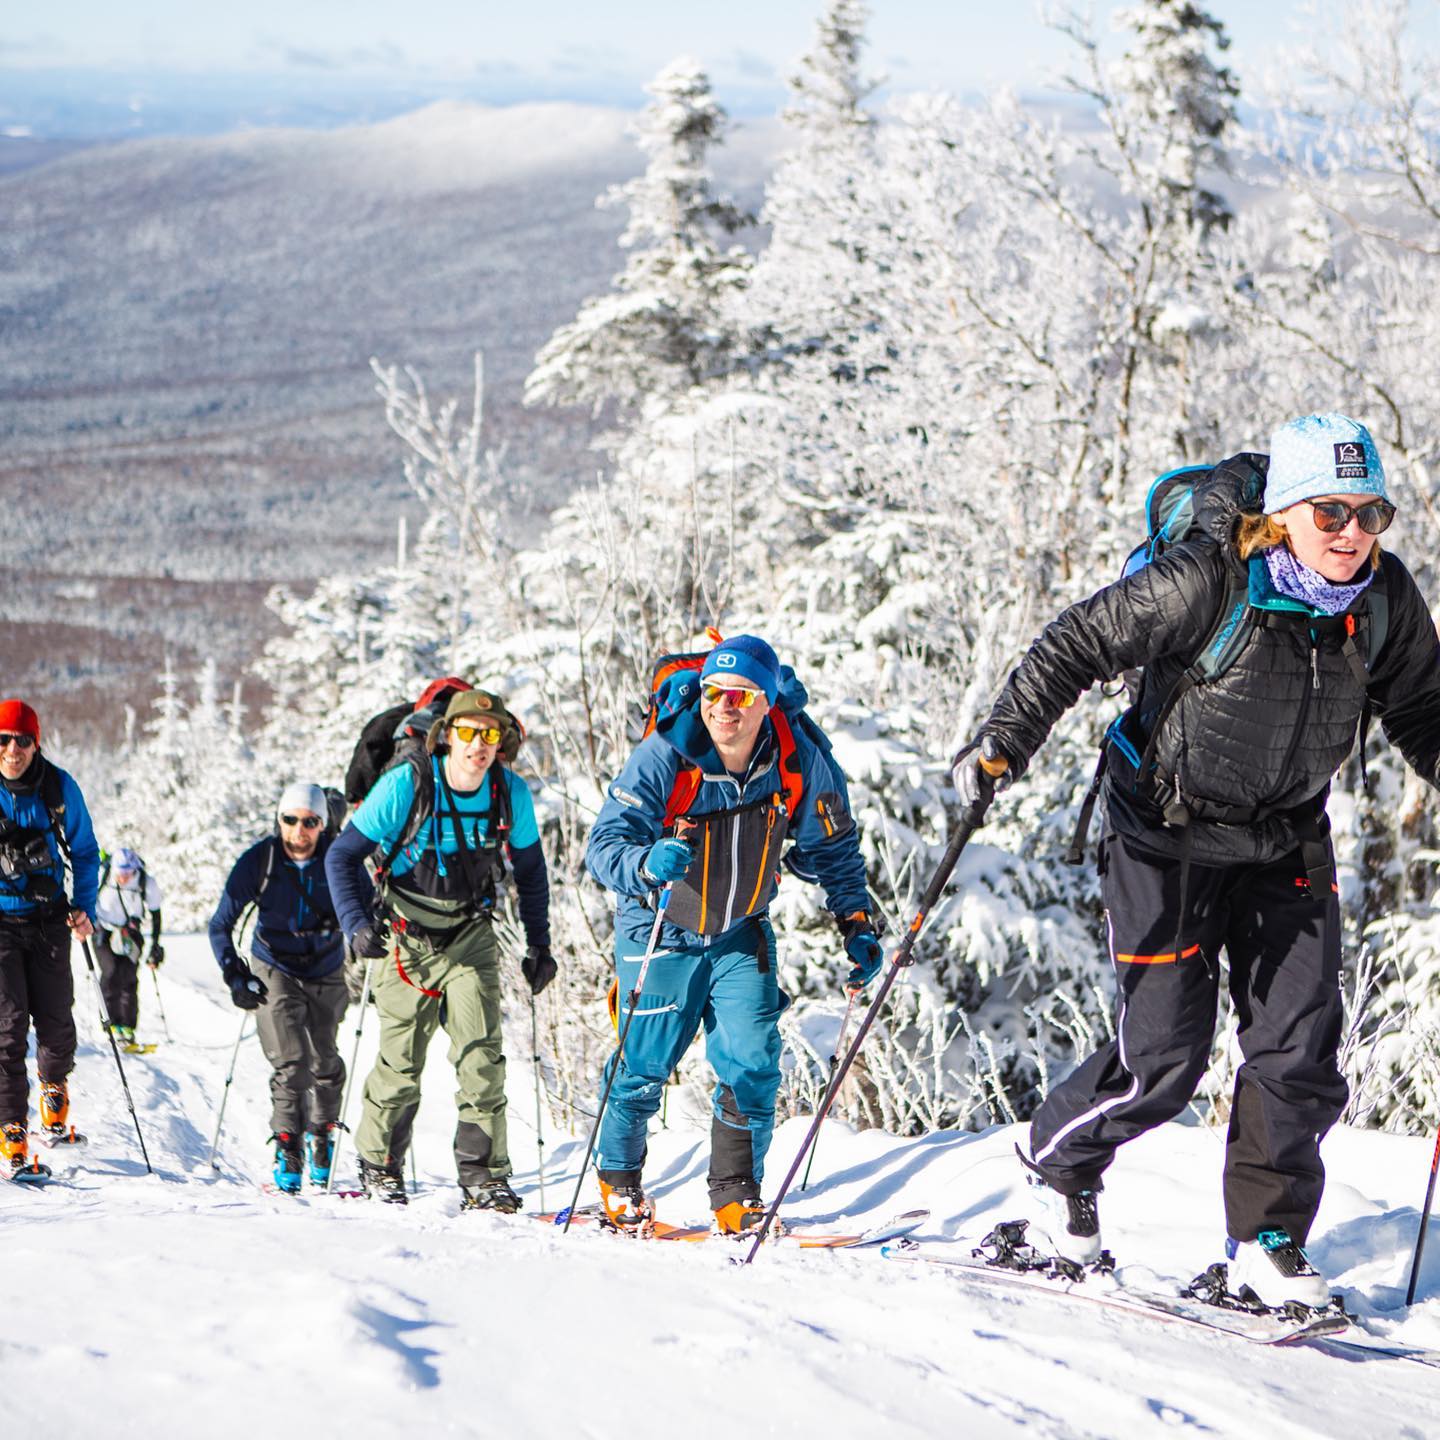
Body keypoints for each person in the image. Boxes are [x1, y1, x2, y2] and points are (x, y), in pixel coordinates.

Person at [951, 414, 1440, 1307]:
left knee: (1300, 1052)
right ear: (1285, 511)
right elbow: (1077, 643)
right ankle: (1058, 1170)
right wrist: (1003, 743)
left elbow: (1426, 710)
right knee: (1164, 1060)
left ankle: (1266, 1241)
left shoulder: (1383, 601)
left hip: (1285, 837)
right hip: (1164, 836)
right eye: (1330, 511)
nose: (1352, 533)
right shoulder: (1206, 580)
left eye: (1372, 513)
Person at [585, 635, 881, 1236]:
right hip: (660, 929)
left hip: (741, 930)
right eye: (716, 693)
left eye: (743, 696)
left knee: (752, 1062)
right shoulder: (667, 755)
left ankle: (736, 1196)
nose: (725, 707)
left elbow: (833, 845)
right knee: (643, 1067)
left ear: (767, 702)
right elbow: (604, 846)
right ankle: (618, 1184)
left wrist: (855, 921)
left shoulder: (796, 760)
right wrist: (644, 863)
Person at [326, 688, 554, 1212]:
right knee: (401, 1063)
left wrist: (539, 944)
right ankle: (380, 1165)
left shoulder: (508, 793)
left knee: (483, 1059)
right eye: (469, 732)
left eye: (490, 735)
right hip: (404, 936)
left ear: (502, 743)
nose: (479, 744)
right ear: (446, 735)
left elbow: (532, 873)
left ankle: (485, 1177)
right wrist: (356, 924)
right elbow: (342, 857)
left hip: (470, 936)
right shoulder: (407, 784)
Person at [209, 782, 357, 1193]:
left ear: (322, 825)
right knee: (292, 1062)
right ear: (279, 820)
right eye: (290, 820)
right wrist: (235, 975)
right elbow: (221, 923)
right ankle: (289, 1145)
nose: (299, 831)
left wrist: (368, 933)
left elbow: (365, 909)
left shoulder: (338, 860)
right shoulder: (261, 860)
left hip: (327, 968)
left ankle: (321, 1134)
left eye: (309, 822)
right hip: (275, 965)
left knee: (326, 1061)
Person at [0, 699, 99, 1175]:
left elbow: (84, 850)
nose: (11, 749)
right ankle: (11, 1130)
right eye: (2, 739)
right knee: (8, 1028)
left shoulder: (58, 787)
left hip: (48, 920)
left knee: (57, 1020)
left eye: (21, 739)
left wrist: (85, 907)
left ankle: (53, 1089)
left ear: (36, 742)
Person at [94, 847, 164, 1049]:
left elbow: (156, 914)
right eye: (119, 874)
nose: (123, 878)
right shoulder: (103, 875)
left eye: (127, 874)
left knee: (129, 977)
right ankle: (109, 1024)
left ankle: (127, 1027)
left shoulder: (146, 882)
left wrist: (155, 945)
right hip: (103, 931)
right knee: (111, 971)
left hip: (130, 933)